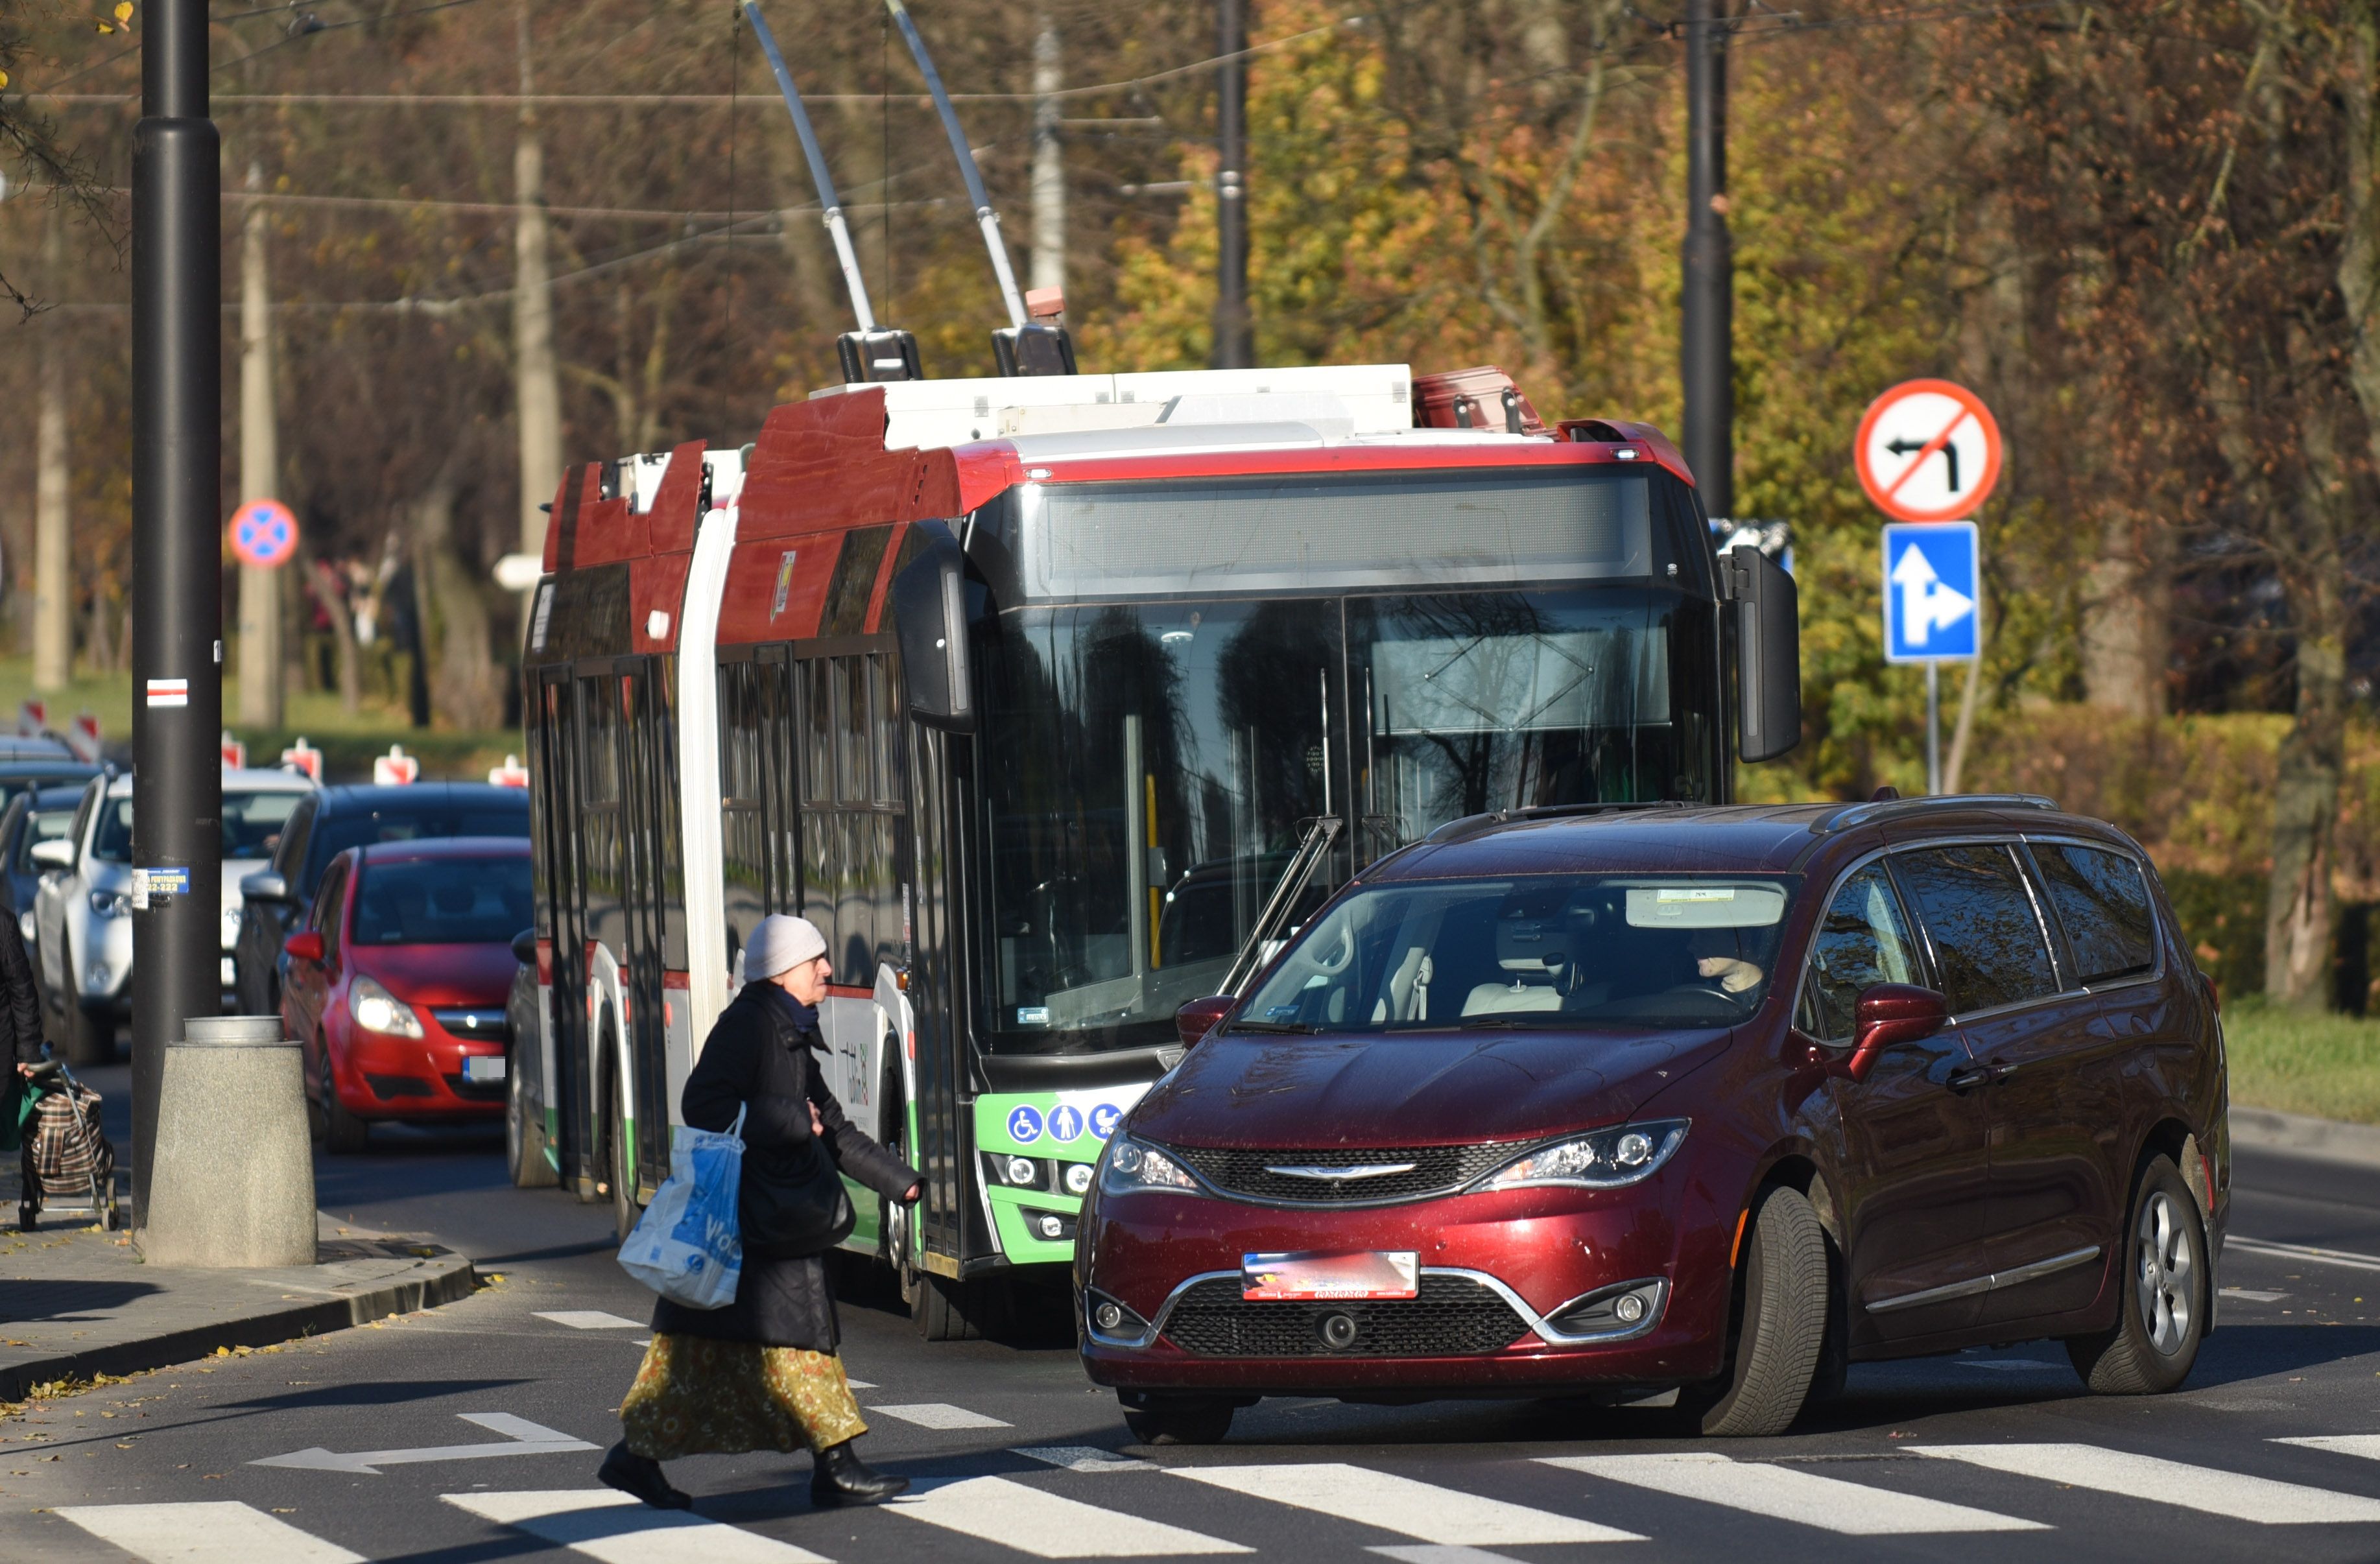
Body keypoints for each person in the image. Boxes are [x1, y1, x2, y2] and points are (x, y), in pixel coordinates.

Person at [599, 914, 922, 1511]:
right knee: (802, 1338)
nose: (827, 969)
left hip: (773, 1220)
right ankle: (836, 1466)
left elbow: (837, 1131)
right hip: (753, 1224)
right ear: (781, 971)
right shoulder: (749, 1025)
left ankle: (636, 1457)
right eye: (816, 960)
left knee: (698, 1348)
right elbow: (702, 1103)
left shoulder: (791, 1030)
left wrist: (901, 1183)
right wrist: (795, 1121)